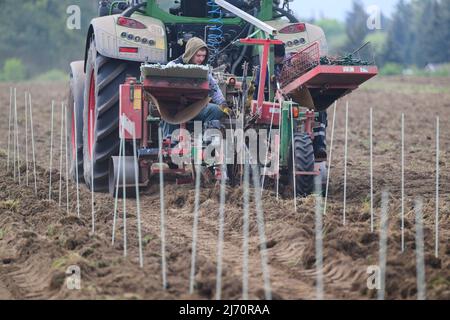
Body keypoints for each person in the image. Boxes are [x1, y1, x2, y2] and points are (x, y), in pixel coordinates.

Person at [255, 44, 329, 159]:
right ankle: (272, 150)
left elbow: (307, 74)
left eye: (277, 58)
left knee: (319, 114)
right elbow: (259, 88)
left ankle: (318, 148)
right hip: (277, 100)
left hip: (298, 98)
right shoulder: (265, 68)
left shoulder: (294, 62)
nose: (277, 61)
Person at [160, 37, 230, 140]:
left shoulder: (204, 70)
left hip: (195, 108)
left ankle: (206, 139)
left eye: (203, 56)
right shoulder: (172, 66)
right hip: (174, 109)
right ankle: (170, 141)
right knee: (168, 116)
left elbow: (214, 88)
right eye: (198, 55)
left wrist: (223, 104)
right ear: (190, 53)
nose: (201, 59)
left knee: (216, 110)